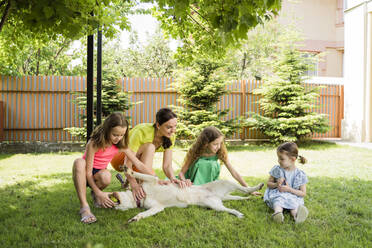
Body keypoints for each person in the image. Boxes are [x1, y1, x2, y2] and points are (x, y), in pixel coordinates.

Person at [72, 112, 152, 224]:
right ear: (107, 130)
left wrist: (155, 178)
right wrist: (100, 192)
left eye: (122, 135)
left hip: (98, 175)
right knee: (79, 162)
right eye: (115, 135)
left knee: (107, 176)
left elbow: (138, 164)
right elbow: (88, 173)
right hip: (84, 173)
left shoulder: (121, 145)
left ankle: (96, 196)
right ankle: (84, 207)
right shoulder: (94, 143)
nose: (118, 138)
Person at [110, 107, 181, 202]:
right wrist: (134, 184)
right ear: (158, 125)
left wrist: (172, 178)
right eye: (169, 127)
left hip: (138, 163)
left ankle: (143, 188)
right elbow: (127, 164)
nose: (173, 130)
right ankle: (144, 186)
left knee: (146, 180)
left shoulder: (170, 136)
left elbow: (167, 165)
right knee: (150, 147)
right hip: (119, 160)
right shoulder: (141, 131)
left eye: (175, 126)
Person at [177, 126, 252, 188]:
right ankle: (198, 186)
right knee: (203, 163)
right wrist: (184, 181)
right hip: (192, 179)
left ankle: (207, 186)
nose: (219, 147)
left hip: (209, 181)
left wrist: (247, 188)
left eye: (220, 143)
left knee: (212, 164)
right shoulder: (195, 151)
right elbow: (181, 173)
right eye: (215, 144)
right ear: (206, 143)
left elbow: (233, 172)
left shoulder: (220, 151)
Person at [263, 142, 309, 224]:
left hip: (293, 195)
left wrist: (290, 190)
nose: (278, 161)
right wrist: (276, 184)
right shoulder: (277, 169)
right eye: (278, 158)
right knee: (278, 200)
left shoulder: (300, 174)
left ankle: (296, 216)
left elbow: (303, 193)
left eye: (281, 159)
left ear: (292, 159)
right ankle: (278, 214)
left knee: (294, 204)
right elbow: (268, 184)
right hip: (279, 193)